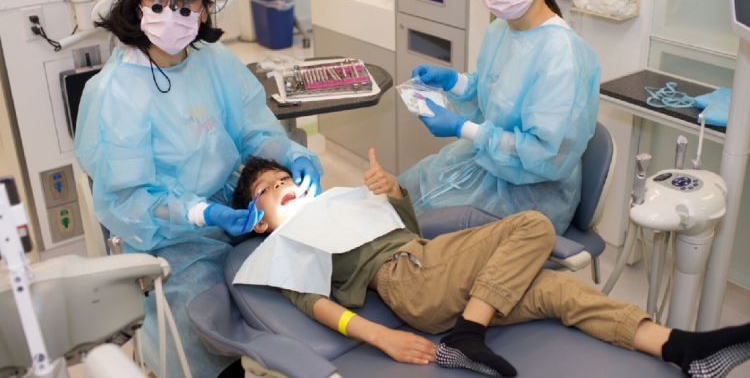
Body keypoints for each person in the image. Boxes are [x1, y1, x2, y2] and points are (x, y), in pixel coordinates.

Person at [232, 151, 750, 378]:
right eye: (268, 190)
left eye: (286, 180)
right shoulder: (283, 247)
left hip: (432, 271)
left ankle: (682, 350)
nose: (283, 189)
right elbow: (317, 305)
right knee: (533, 227)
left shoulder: (333, 203)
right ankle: (467, 334)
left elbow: (406, 229)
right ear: (257, 219)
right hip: (409, 281)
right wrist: (380, 337)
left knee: (557, 292)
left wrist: (393, 192)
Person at [74, 0, 322, 377]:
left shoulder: (216, 62)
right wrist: (200, 212)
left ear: (205, 9)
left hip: (239, 205)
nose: (171, 10)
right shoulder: (116, 92)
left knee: (308, 276)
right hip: (171, 238)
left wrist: (293, 155)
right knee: (208, 321)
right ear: (139, 5)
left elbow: (254, 130)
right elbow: (127, 199)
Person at [398, 0, 600, 234]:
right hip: (488, 165)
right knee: (399, 196)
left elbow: (542, 153)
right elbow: (495, 89)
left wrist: (461, 127)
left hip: (530, 196)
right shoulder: (502, 28)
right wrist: (454, 82)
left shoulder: (562, 55)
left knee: (413, 225)